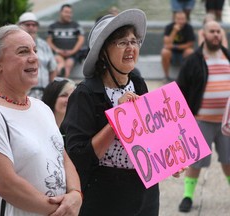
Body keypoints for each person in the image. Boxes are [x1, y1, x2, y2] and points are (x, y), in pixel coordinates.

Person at [61, 9, 185, 216]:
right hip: (105, 197)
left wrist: (170, 159)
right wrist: (117, 119)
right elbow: (77, 157)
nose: (130, 48)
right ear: (103, 52)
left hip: (146, 193)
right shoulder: (85, 94)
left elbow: (149, 135)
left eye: (133, 41)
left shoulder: (137, 82)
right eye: (121, 43)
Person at [0, 25, 82, 215]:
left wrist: (76, 195)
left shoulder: (42, 108)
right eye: (23, 51)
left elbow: (63, 157)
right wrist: (62, 211)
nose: (34, 57)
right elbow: (6, 185)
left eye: (34, 50)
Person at [177, 20, 230, 213]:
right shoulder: (193, 60)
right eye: (212, 31)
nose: (216, 34)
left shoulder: (228, 56)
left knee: (229, 160)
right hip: (200, 121)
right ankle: (188, 196)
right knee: (195, 162)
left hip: (227, 123)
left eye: (218, 31)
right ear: (204, 35)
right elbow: (180, 89)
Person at [18, 12, 57, 99]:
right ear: (19, 26)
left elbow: (53, 69)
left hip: (44, 94)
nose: (31, 27)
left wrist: (51, 90)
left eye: (34, 25)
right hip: (24, 94)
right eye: (27, 24)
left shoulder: (45, 45)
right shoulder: (16, 46)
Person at [47, 4, 85, 78]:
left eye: (70, 12)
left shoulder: (76, 26)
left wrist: (72, 51)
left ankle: (62, 84)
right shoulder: (52, 26)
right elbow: (49, 41)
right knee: (60, 64)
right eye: (66, 12)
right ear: (60, 12)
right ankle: (57, 83)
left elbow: (81, 39)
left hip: (72, 54)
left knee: (68, 65)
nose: (68, 14)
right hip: (57, 53)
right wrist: (57, 50)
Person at [161, 11, 195, 82]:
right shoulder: (169, 27)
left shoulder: (189, 28)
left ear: (186, 19)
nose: (181, 21)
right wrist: (174, 31)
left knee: (190, 52)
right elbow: (166, 44)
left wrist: (174, 46)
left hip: (183, 53)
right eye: (179, 19)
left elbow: (190, 44)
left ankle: (187, 77)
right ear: (174, 19)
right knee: (164, 52)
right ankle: (166, 76)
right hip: (171, 53)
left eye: (183, 19)